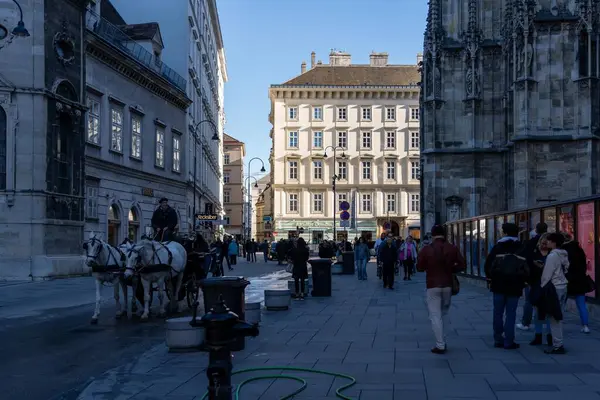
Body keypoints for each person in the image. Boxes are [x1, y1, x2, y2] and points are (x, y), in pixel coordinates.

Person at [417, 224, 466, 354]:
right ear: (444, 234)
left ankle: (440, 344)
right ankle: (443, 338)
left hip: (432, 284)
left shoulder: (427, 249)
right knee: (444, 313)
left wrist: (429, 267)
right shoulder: (452, 248)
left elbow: (419, 267)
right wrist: (451, 270)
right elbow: (462, 264)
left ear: (432, 235)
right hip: (447, 285)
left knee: (435, 315)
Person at [484, 223, 528, 350]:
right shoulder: (521, 247)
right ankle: (509, 341)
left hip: (498, 284)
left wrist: (490, 278)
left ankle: (498, 339)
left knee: (497, 313)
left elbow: (488, 265)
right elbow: (527, 267)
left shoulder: (498, 247)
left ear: (504, 232)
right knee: (511, 313)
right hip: (515, 285)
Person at [540, 232, 569, 354]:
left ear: (554, 242)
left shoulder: (552, 256)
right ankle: (557, 342)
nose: (548, 242)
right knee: (558, 315)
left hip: (554, 287)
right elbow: (567, 268)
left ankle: (558, 344)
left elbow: (547, 274)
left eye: (550, 241)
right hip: (563, 286)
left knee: (554, 318)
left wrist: (542, 286)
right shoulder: (564, 254)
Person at [517, 222, 548, 331]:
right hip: (547, 275)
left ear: (536, 230)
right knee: (545, 299)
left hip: (532, 276)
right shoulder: (551, 242)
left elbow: (524, 258)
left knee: (529, 300)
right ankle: (543, 321)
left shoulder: (530, 242)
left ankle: (526, 323)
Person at [526, 233, 552, 346]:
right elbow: (528, 268)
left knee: (550, 313)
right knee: (538, 312)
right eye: (542, 243)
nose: (544, 245)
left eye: (546, 243)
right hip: (537, 284)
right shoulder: (534, 253)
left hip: (550, 286)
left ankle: (550, 336)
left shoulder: (553, 254)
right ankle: (538, 335)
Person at [562, 232, 591, 334]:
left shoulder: (563, 251)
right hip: (580, 280)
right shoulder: (579, 250)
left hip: (567, 280)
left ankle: (558, 325)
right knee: (581, 304)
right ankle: (585, 325)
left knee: (561, 303)